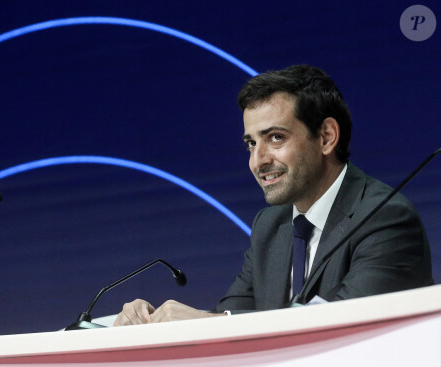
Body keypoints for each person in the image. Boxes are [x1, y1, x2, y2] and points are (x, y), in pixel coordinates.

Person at [113, 64, 433, 326]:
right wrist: (156, 324)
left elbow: (342, 328)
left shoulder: (386, 218)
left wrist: (215, 320)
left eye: (275, 138)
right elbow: (229, 319)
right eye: (251, 143)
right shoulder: (271, 225)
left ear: (326, 137)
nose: (258, 161)